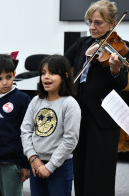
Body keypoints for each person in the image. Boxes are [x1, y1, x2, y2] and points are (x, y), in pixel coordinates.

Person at [64, 0, 129, 196]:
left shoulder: (122, 46)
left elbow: (122, 84)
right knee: (80, 167)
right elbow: (61, 63)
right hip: (78, 114)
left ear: (112, 24)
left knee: (99, 173)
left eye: (98, 23)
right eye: (90, 22)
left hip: (103, 118)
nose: (92, 27)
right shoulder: (82, 43)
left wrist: (115, 70)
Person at [21, 55, 81, 196]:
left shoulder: (70, 104)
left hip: (60, 166)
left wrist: (50, 166)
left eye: (52, 73)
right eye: (43, 73)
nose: (46, 77)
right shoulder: (36, 100)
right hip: (36, 163)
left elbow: (70, 139)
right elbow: (25, 131)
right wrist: (33, 158)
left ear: (65, 76)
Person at [0, 54, 31, 196]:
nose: (5, 83)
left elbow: (27, 133)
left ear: (14, 75)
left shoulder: (22, 99)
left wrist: (25, 164)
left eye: (8, 77)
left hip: (11, 162)